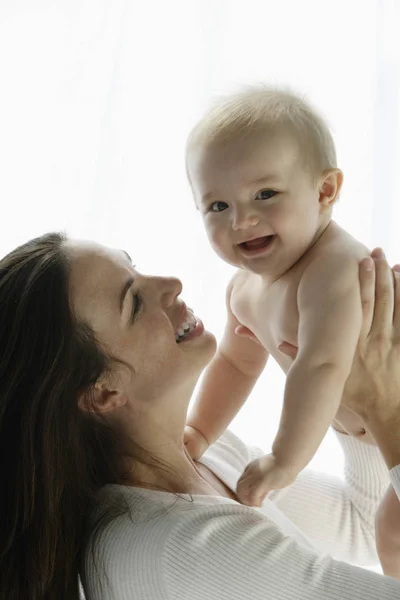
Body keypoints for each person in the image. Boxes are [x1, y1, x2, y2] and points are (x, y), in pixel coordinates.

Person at [1, 233, 400, 599]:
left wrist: (351, 393)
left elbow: (360, 523)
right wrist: (388, 408)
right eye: (135, 303)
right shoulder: (182, 547)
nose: (170, 284)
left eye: (135, 266)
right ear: (102, 393)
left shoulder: (202, 454)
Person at [184, 86, 376, 506]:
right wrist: (198, 432)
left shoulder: (334, 268)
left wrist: (283, 461)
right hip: (370, 447)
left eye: (265, 194)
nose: (242, 220)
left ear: (325, 191)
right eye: (217, 206)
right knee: (383, 529)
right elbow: (235, 364)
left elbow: (323, 366)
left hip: (388, 430)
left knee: (394, 535)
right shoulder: (243, 290)